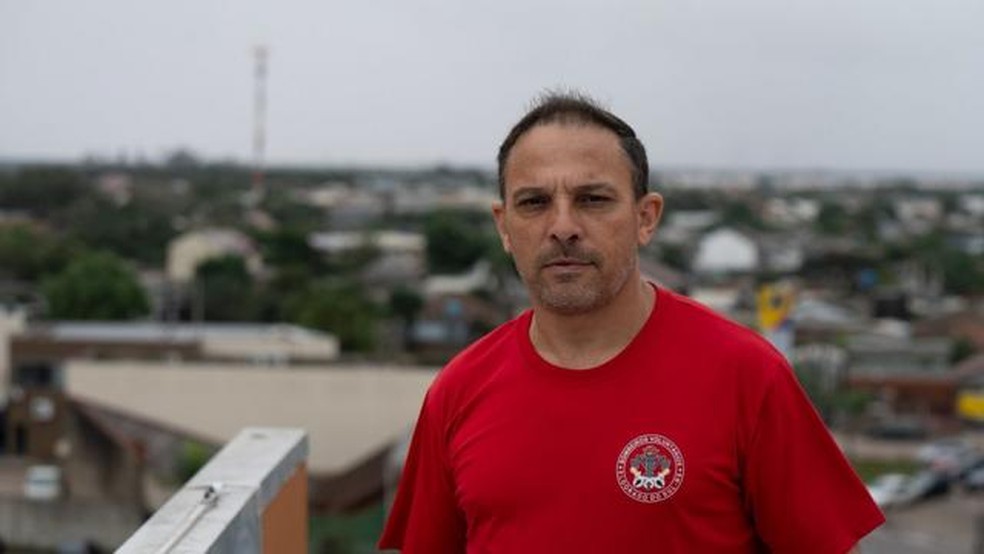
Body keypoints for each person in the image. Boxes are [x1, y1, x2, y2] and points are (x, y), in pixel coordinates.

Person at [379, 92, 884, 553]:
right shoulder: (458, 390)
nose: (562, 228)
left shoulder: (747, 375)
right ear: (503, 226)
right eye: (534, 203)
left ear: (646, 217)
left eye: (592, 200)